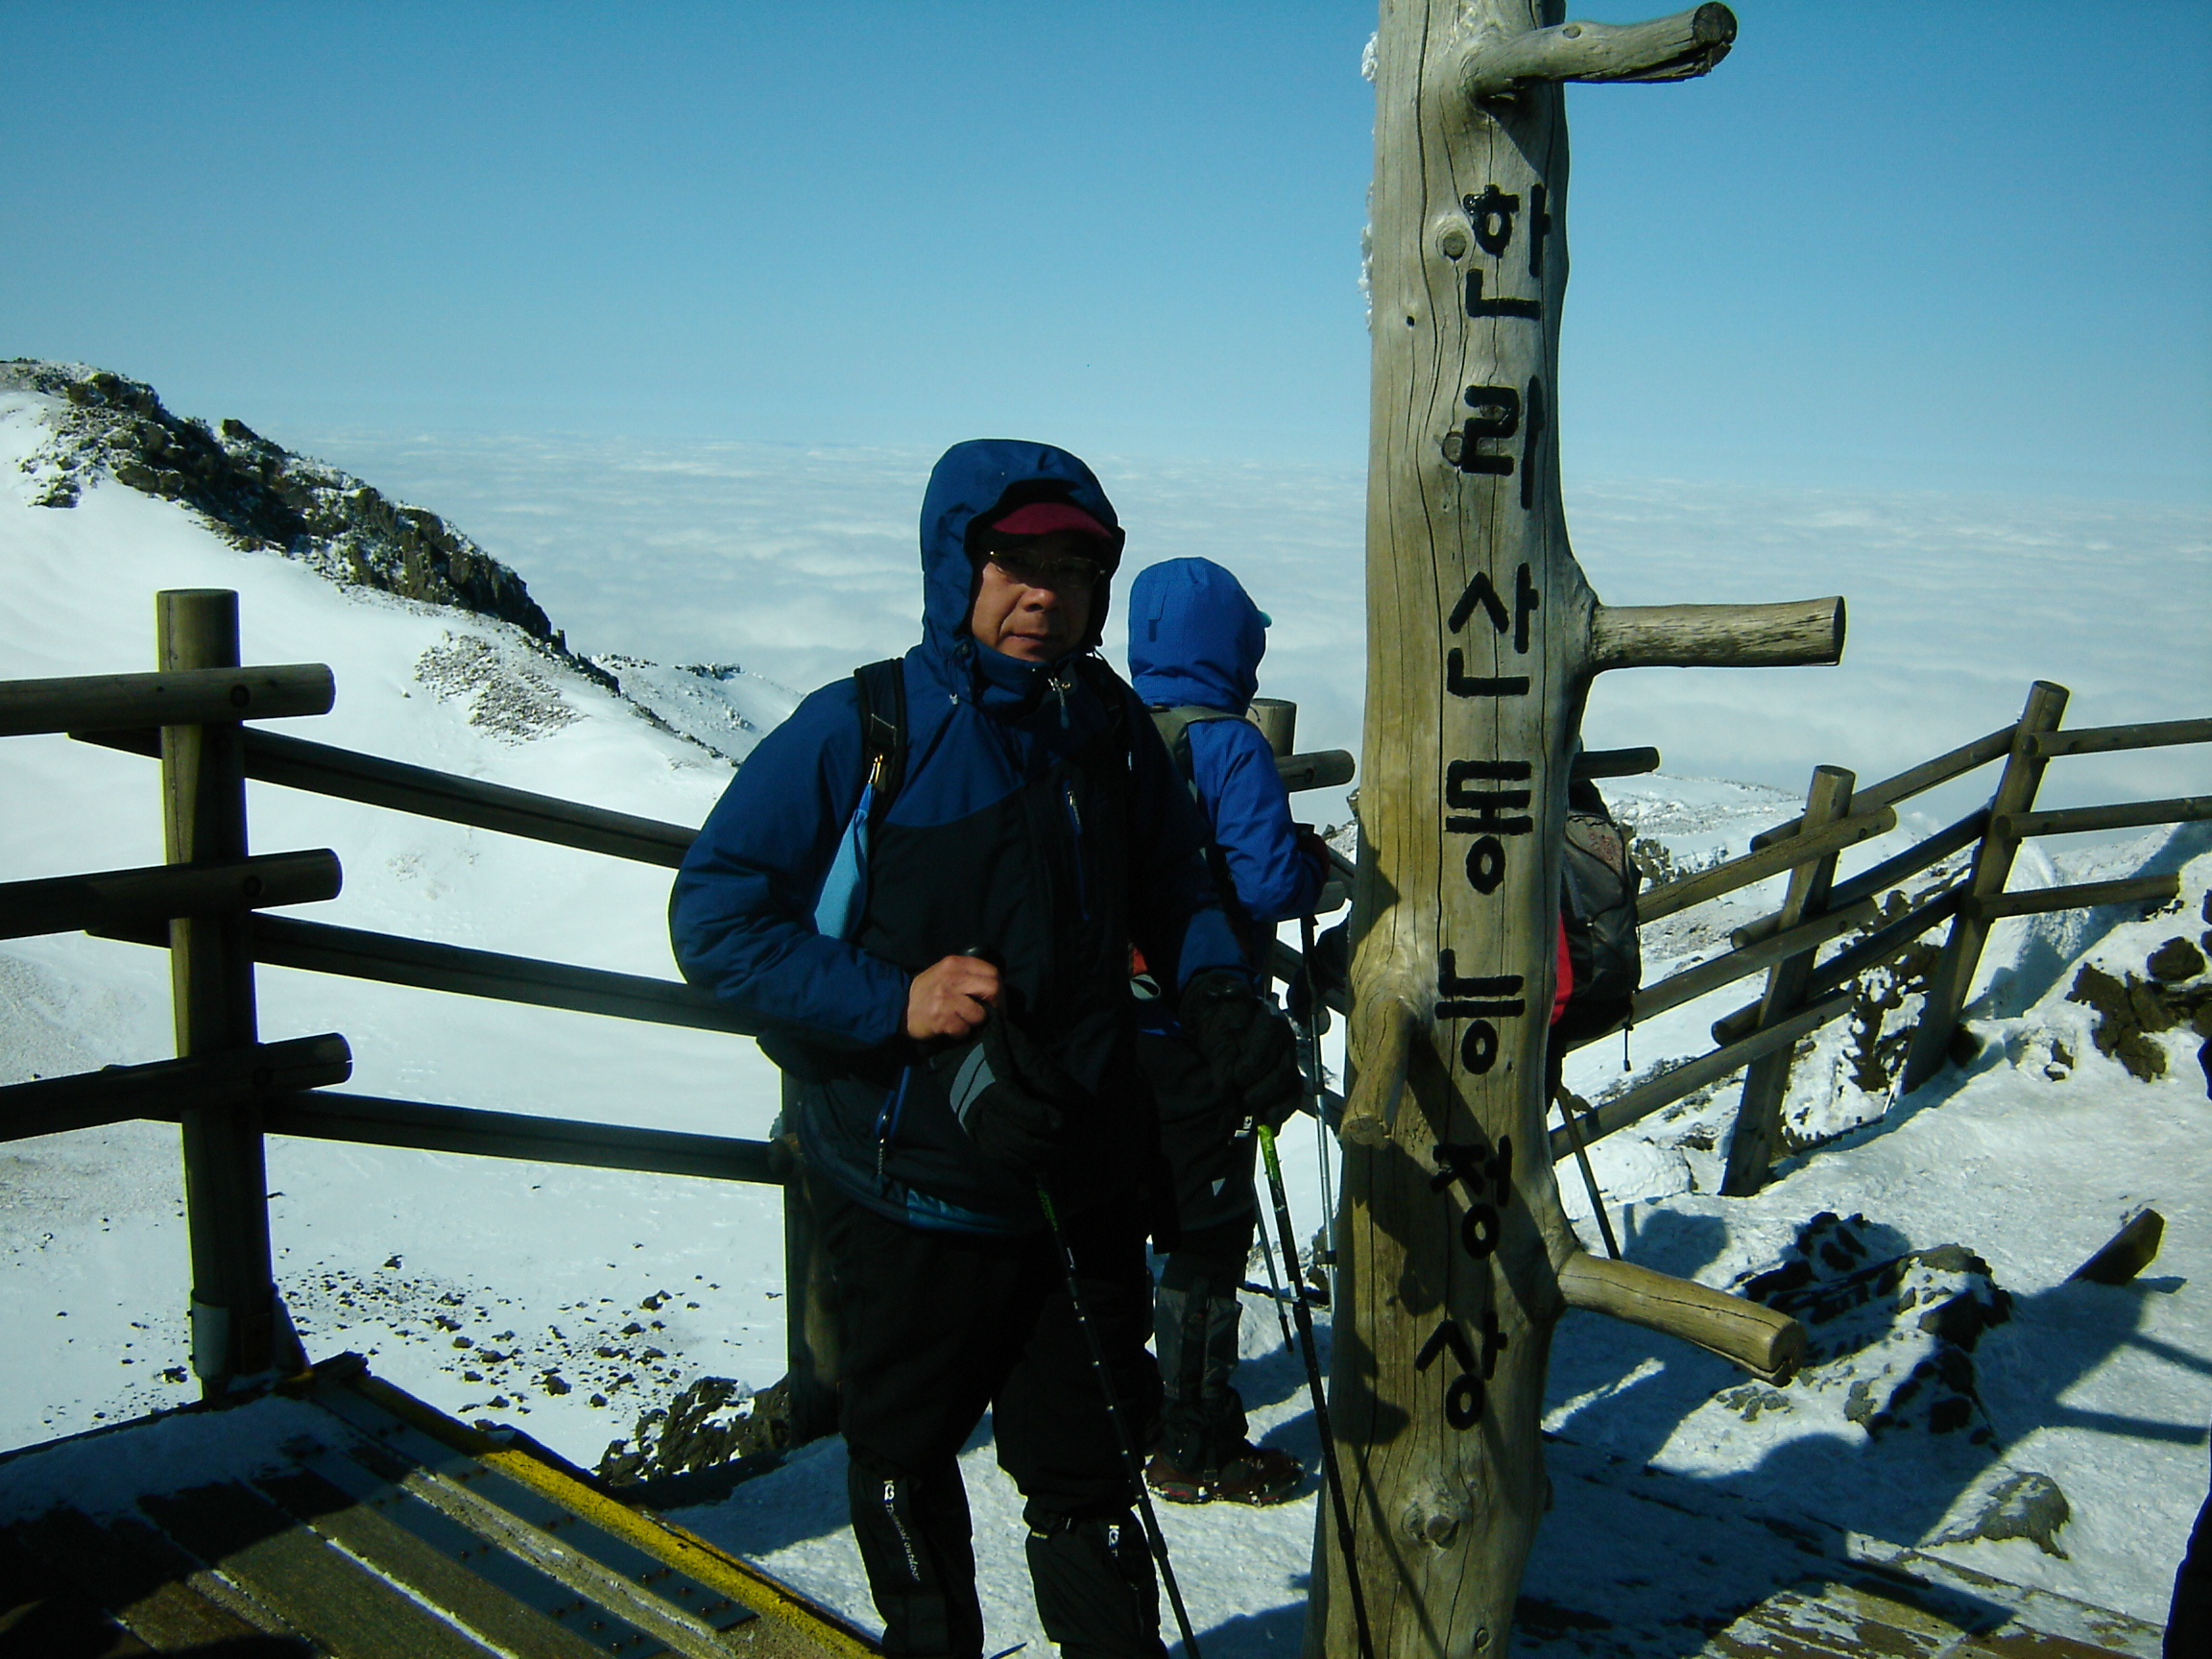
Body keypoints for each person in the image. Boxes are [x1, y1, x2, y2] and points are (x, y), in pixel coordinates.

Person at [669, 441, 1298, 1659]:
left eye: (1074, 568)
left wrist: (1219, 987)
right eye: (1016, 563)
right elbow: (717, 919)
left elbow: (1175, 882)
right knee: (905, 1451)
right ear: (958, 566)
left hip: (1081, 1176)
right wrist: (893, 1001)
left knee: (1091, 1471)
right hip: (917, 1192)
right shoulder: (868, 726)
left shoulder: (1108, 726)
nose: (1044, 594)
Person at [1124, 556, 1332, 1506]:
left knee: (1121, 1218)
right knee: (1207, 1236)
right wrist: (1310, 866)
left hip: (1111, 1027)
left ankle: (1126, 1409)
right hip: (1205, 1033)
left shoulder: (1111, 731)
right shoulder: (1231, 747)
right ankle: (1196, 1440)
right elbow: (1266, 884)